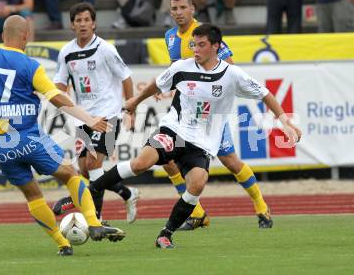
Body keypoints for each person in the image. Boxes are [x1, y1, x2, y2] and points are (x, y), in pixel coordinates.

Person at [91, 23, 301, 249]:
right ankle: (95, 187)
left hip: (202, 142)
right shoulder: (182, 67)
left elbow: (265, 93)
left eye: (202, 45)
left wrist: (284, 120)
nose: (196, 50)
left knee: (198, 183)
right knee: (142, 162)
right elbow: (158, 84)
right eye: (194, 45)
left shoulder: (232, 74)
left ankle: (166, 233)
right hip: (174, 130)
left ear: (216, 47)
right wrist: (135, 101)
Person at [0, 15, 125, 257]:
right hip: (28, 139)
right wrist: (90, 119)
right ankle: (94, 223)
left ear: (2, 36)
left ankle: (62, 244)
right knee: (71, 175)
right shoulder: (31, 66)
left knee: (32, 195)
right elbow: (56, 97)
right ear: (26, 36)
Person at [163, 0, 273, 230]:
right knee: (167, 159)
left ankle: (261, 207)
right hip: (183, 112)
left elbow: (228, 67)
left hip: (210, 112)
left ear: (193, 9)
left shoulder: (205, 34)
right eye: (174, 9)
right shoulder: (170, 36)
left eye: (183, 7)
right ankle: (197, 213)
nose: (178, 13)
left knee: (230, 161)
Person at [50, 2, 139, 223]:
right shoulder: (67, 52)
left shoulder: (105, 49)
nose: (83, 24)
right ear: (72, 25)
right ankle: (127, 194)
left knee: (93, 163)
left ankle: (95, 220)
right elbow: (59, 84)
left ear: (94, 23)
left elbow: (125, 76)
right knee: (86, 171)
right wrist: (53, 97)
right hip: (85, 118)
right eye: (78, 20)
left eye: (86, 20)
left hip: (108, 114)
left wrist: (130, 109)